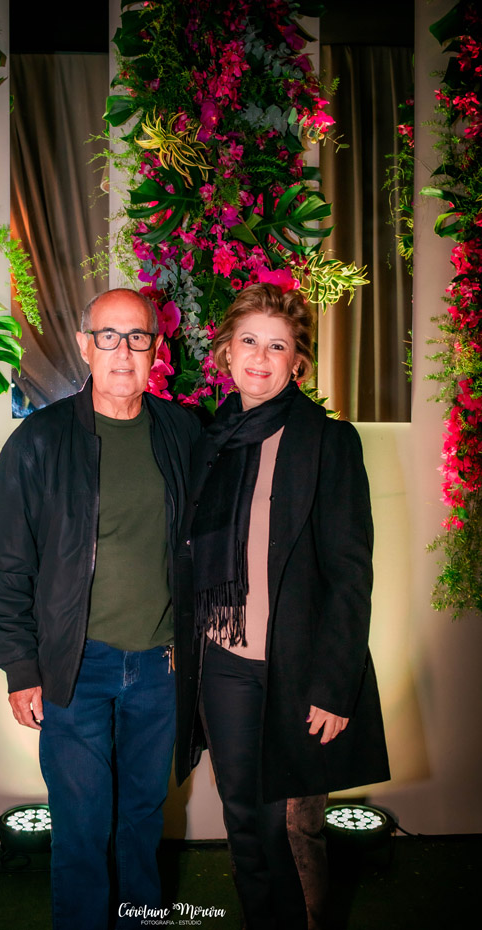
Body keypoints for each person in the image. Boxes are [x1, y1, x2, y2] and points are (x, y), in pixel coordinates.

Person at [0, 288, 201, 930]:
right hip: (75, 669)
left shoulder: (183, 433)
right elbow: (5, 565)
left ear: (156, 349)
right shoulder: (39, 442)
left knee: (141, 823)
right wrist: (21, 666)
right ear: (84, 346)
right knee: (80, 829)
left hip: (159, 670)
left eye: (138, 337)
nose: (123, 351)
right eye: (108, 336)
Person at [173, 283, 390, 930]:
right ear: (226, 351)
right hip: (223, 664)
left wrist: (334, 686)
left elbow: (350, 575)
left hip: (296, 670)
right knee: (244, 822)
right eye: (249, 341)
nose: (260, 358)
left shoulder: (328, 442)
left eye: (277, 346)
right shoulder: (208, 441)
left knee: (290, 830)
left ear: (297, 361)